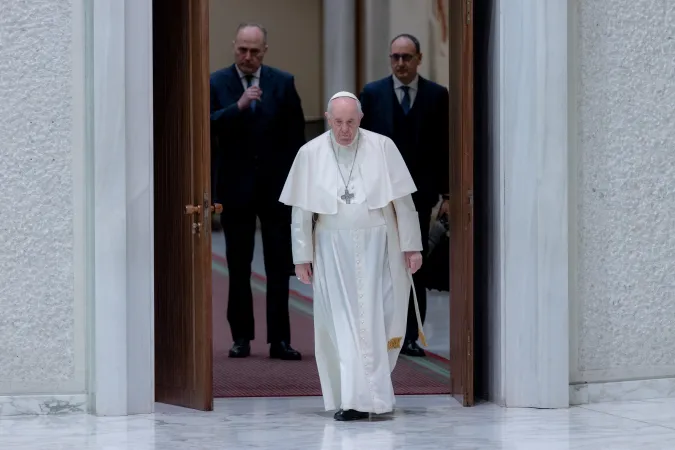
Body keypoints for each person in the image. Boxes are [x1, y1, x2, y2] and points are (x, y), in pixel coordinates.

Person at [279, 92, 425, 421]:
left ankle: (371, 396)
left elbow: (403, 203)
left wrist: (412, 246)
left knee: (376, 320)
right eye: (338, 122)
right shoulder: (310, 153)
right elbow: (300, 213)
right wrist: (301, 256)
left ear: (360, 119)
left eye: (351, 122)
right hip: (331, 249)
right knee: (341, 324)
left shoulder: (383, 147)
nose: (345, 130)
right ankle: (355, 400)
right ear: (329, 119)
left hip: (379, 246)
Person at [210, 23, 305, 360]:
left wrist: (299, 189)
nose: (247, 57)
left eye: (254, 51)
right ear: (234, 47)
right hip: (236, 188)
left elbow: (296, 140)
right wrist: (238, 106)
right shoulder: (217, 81)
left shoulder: (283, 82)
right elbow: (208, 124)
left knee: (278, 267)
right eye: (242, 50)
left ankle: (279, 339)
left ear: (265, 50)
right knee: (238, 266)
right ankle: (241, 337)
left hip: (276, 189)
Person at [359, 33, 450, 357]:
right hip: (379, 196)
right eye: (395, 57)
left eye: (406, 57)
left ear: (419, 59)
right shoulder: (372, 94)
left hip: (420, 196)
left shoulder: (438, 96)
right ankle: (381, 332)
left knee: (415, 264)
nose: (400, 63)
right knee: (380, 265)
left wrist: (448, 194)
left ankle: (411, 335)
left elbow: (445, 148)